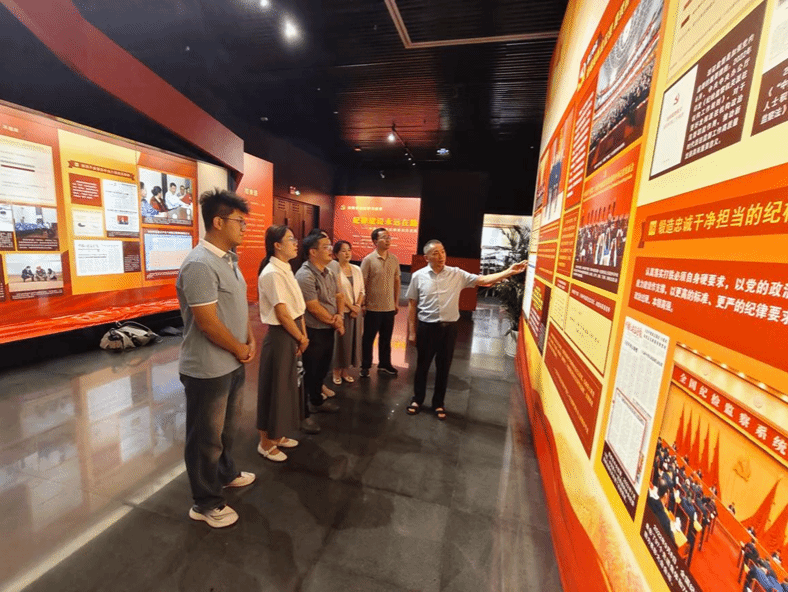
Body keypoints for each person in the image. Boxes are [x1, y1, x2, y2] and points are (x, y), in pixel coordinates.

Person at [176, 188, 256, 528]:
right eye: (239, 221)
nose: (244, 228)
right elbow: (207, 322)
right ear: (218, 222)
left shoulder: (228, 260)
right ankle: (205, 503)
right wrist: (238, 347)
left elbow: (235, 308)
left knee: (225, 432)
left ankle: (225, 474)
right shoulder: (199, 264)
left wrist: (249, 338)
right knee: (205, 439)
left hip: (232, 362)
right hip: (207, 368)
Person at [406, 240, 526, 420]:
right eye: (436, 253)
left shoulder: (456, 274)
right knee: (422, 367)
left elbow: (482, 280)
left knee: (443, 368)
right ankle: (417, 400)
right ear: (426, 257)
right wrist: (412, 331)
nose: (441, 256)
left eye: (443, 251)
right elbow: (412, 304)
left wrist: (509, 271)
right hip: (426, 328)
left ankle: (438, 403)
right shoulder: (418, 276)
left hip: (449, 330)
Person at [256, 225, 309, 461]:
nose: (296, 243)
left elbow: (298, 309)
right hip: (281, 336)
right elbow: (282, 313)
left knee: (287, 387)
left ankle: (277, 434)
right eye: (291, 239)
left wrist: (302, 334)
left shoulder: (286, 269)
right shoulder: (272, 273)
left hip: (293, 332)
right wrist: (301, 337)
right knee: (274, 388)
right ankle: (265, 442)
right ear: (277, 245)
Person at [295, 232, 344, 421]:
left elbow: (338, 295)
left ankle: (316, 400)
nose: (331, 250)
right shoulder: (305, 275)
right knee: (312, 369)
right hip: (314, 330)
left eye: (330, 246)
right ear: (313, 252)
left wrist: (339, 316)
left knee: (323, 366)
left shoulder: (328, 271)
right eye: (326, 247)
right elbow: (313, 307)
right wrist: (335, 321)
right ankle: (307, 407)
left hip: (328, 328)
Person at [360, 227, 400, 377]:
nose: (388, 240)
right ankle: (365, 365)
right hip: (373, 307)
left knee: (386, 338)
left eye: (389, 237)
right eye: (384, 237)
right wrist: (363, 303)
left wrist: (396, 302)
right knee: (368, 338)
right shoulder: (368, 260)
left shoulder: (394, 259)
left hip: (389, 307)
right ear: (375, 241)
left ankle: (385, 364)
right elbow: (362, 283)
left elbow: (397, 281)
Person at [328, 240, 365, 384]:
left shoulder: (357, 269)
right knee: (341, 343)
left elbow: (362, 290)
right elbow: (337, 293)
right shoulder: (333, 270)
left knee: (352, 342)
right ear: (336, 254)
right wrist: (351, 306)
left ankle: (345, 371)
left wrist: (357, 306)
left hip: (356, 312)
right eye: (343, 251)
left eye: (349, 250)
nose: (347, 253)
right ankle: (336, 371)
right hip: (342, 312)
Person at [647, 480, 676, 544]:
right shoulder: (666, 520)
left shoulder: (650, 500)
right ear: (665, 495)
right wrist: (672, 530)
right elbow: (672, 542)